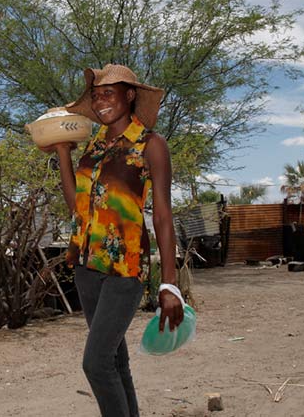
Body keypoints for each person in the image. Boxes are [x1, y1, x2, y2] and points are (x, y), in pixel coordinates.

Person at [44, 64, 183, 417]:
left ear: (130, 95)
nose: (101, 100)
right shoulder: (92, 148)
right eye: (96, 95)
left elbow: (164, 216)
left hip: (125, 267)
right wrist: (64, 154)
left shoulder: (150, 144)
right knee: (116, 362)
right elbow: (78, 205)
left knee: (96, 363)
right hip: (87, 267)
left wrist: (170, 283)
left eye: (109, 92)